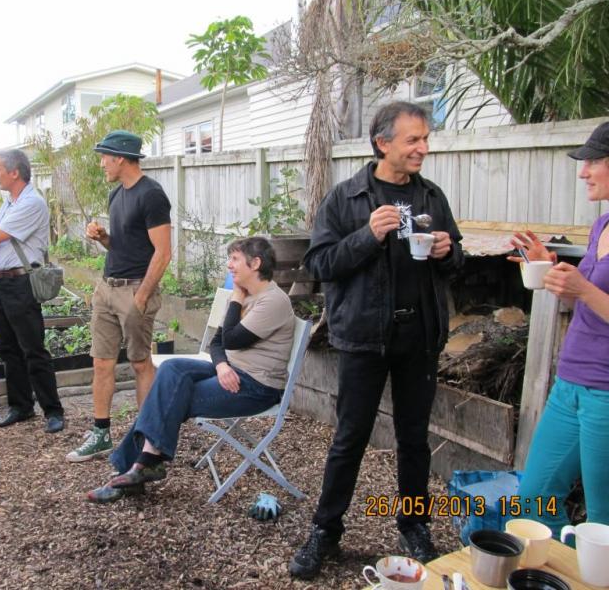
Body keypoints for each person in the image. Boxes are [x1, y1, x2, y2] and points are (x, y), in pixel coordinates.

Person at [289, 101, 464, 580]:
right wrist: (368, 236)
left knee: (413, 440)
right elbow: (320, 264)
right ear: (382, 143)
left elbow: (456, 262)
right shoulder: (346, 199)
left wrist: (450, 252)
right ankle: (325, 530)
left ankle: (414, 526)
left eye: (426, 139)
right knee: (350, 439)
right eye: (413, 140)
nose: (423, 148)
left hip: (419, 338)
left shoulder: (431, 197)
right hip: (364, 338)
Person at [86, 237, 295, 503]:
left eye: (235, 259)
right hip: (230, 372)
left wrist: (235, 301)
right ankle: (142, 464)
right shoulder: (246, 294)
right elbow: (217, 343)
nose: (229, 265)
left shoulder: (272, 301)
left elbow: (230, 340)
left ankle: (134, 469)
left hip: (256, 387)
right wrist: (220, 366)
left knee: (170, 395)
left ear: (256, 264)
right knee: (171, 370)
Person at [511, 122, 609, 536]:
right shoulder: (602, 225)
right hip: (570, 383)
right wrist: (549, 272)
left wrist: (584, 289)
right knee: (535, 499)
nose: (582, 171)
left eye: (593, 161)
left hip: (605, 393)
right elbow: (582, 301)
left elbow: (590, 294)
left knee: (603, 522)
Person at [66, 130, 171, 462]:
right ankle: (100, 434)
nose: (101, 164)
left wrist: (141, 297)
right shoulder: (116, 195)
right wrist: (102, 238)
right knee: (101, 362)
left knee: (140, 363)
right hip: (107, 288)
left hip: (135, 290)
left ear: (121, 158)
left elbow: (163, 253)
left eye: (104, 157)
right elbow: (122, 245)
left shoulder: (152, 195)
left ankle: (147, 436)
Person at [0, 149, 65, 434]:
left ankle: (53, 410)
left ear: (14, 172)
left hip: (21, 283)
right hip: (0, 282)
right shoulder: (10, 202)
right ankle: (21, 406)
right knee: (8, 348)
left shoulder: (32, 203)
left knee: (33, 349)